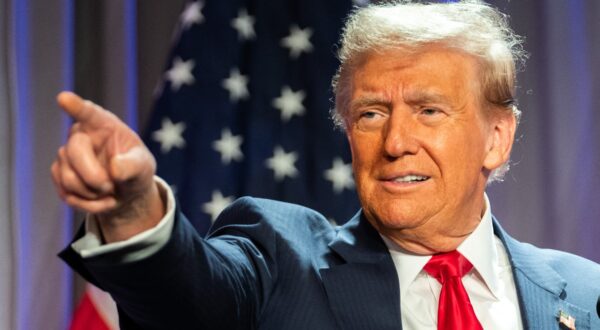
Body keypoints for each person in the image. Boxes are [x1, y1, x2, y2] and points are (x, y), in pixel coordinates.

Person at [54, 1, 600, 329]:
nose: (395, 141)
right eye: (370, 113)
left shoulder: (585, 294)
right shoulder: (279, 263)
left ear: (497, 139)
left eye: (428, 111)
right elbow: (190, 294)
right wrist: (132, 210)